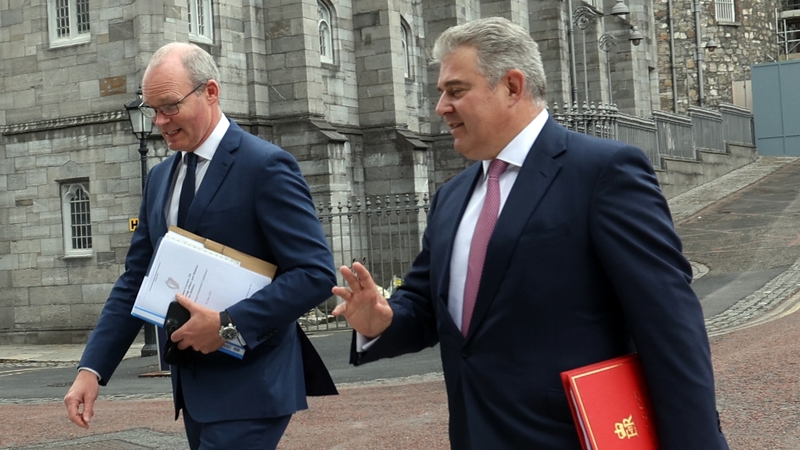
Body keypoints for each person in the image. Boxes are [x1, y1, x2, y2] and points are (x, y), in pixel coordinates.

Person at [332, 16, 729, 449]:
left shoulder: (603, 172)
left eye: (456, 90)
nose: (440, 106)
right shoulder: (452, 196)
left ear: (513, 87)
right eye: (441, 92)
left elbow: (670, 326)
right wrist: (382, 320)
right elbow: (428, 305)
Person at [63, 42, 337, 449]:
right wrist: (92, 368)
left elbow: (315, 274)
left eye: (170, 106)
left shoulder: (265, 166)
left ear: (210, 92)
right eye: (151, 109)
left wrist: (228, 325)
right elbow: (136, 279)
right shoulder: (160, 178)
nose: (159, 121)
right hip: (194, 390)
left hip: (253, 384)